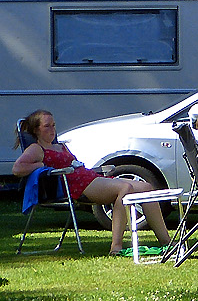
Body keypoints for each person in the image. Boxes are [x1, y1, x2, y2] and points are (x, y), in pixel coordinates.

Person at [12, 108, 173, 256]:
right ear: (36, 130)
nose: (52, 130)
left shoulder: (60, 146)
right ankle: (116, 247)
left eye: (53, 125)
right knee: (126, 188)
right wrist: (41, 165)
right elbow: (17, 169)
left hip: (87, 177)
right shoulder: (36, 149)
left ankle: (167, 242)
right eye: (47, 126)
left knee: (147, 187)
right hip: (75, 184)